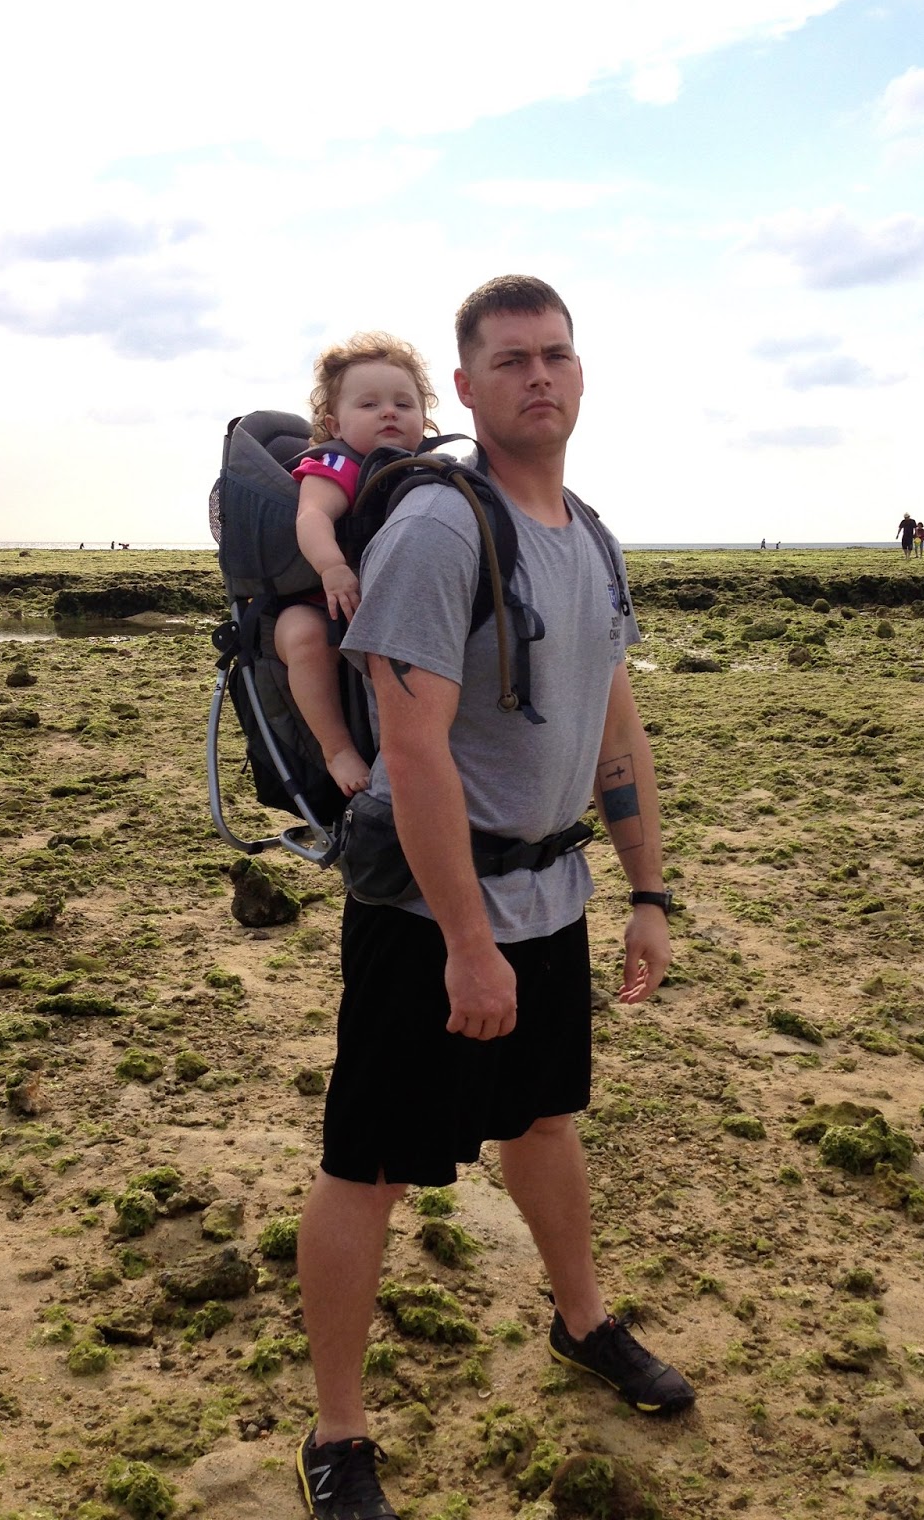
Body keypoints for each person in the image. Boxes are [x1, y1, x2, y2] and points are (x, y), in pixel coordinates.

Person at [294, 276, 693, 1520]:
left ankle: (582, 1321)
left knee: (545, 1120)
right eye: (512, 360)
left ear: (580, 373)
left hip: (552, 897)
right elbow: (413, 751)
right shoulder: (439, 527)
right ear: (464, 389)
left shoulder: (591, 535)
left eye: (556, 354)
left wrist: (648, 890)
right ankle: (338, 1435)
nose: (540, 376)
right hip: (430, 917)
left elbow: (613, 725)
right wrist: (469, 943)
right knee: (367, 1169)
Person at [273, 334, 438, 798]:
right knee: (306, 637)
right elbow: (312, 517)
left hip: (385, 606)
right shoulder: (336, 464)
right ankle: (337, 748)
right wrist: (332, 567)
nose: (389, 412)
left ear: (424, 418)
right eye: (369, 404)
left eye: (403, 404)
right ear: (335, 424)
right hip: (316, 601)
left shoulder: (429, 468)